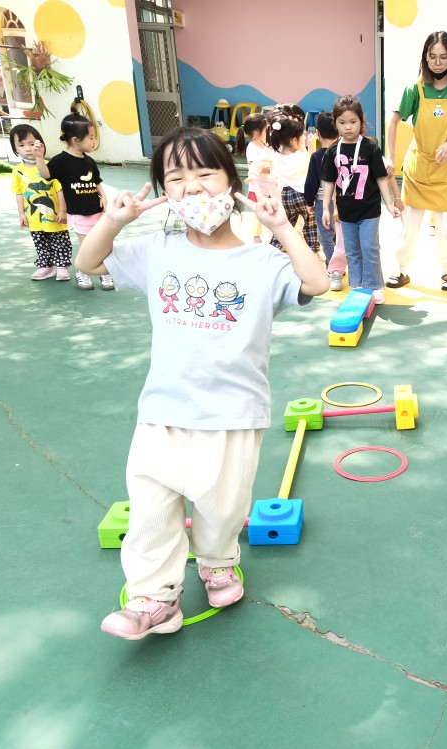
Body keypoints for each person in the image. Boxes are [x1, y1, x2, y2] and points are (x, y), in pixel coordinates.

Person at [77, 127, 330, 640]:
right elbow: (88, 262)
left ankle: (217, 562)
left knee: (222, 508)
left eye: (204, 173)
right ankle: (154, 597)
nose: (191, 187)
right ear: (163, 191)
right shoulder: (157, 251)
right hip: (163, 408)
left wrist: (281, 227)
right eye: (175, 178)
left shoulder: (261, 261)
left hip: (233, 412)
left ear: (231, 182)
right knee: (150, 507)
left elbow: (317, 282)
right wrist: (114, 221)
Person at [385, 31, 447, 292]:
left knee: (446, 227)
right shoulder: (415, 88)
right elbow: (394, 121)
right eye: (432, 56)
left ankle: (445, 272)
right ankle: (402, 270)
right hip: (419, 168)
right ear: (425, 58)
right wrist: (390, 157)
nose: (437, 62)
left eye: (443, 57)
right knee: (410, 225)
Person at [320, 95, 401, 305]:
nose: (348, 127)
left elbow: (381, 178)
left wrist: (389, 203)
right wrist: (327, 208)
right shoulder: (332, 151)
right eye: (342, 122)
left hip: (370, 210)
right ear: (335, 123)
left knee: (370, 248)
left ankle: (375, 285)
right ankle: (357, 285)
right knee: (352, 251)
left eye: (353, 122)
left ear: (361, 122)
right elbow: (329, 181)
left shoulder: (370, 148)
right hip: (346, 212)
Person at [35, 113, 111, 290]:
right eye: (91, 138)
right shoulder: (61, 160)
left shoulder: (89, 160)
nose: (94, 141)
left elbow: (97, 181)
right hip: (79, 213)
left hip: (97, 210)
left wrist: (103, 196)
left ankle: (104, 272)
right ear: (76, 140)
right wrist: (39, 157)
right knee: (87, 246)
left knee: (102, 242)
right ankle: (82, 271)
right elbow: (46, 174)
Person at [9, 125, 72, 282]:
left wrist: (63, 211)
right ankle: (46, 267)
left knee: (60, 241)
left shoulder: (49, 167)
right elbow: (19, 193)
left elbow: (59, 190)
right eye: (21, 145)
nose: (28, 149)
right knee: (40, 242)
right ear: (15, 148)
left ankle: (62, 267)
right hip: (34, 218)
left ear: (40, 144)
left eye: (32, 144)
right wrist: (21, 213)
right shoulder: (18, 170)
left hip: (55, 216)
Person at [266, 106, 319, 256]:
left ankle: (273, 249)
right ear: (294, 140)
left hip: (286, 196)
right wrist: (311, 146)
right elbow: (312, 165)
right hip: (303, 195)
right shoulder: (300, 157)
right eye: (301, 138)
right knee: (310, 225)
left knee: (285, 225)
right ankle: (313, 252)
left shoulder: (276, 155)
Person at [305, 111, 348, 291]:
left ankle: (333, 269)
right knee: (341, 236)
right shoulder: (343, 153)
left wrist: (309, 202)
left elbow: (311, 182)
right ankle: (340, 265)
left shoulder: (317, 157)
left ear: (318, 134)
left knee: (325, 237)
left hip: (323, 202)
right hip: (343, 202)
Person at [242, 112, 272, 244]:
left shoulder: (263, 144)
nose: (268, 132)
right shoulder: (252, 148)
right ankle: (256, 236)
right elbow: (256, 167)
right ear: (257, 131)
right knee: (257, 214)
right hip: (257, 188)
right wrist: (273, 169)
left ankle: (270, 235)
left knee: (269, 212)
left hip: (268, 186)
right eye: (266, 129)